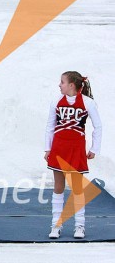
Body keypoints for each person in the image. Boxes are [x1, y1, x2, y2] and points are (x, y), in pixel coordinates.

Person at [45, 71, 102, 240]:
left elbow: (98, 127)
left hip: (76, 150)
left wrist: (94, 148)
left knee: (77, 188)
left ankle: (80, 225)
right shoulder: (55, 101)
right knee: (58, 186)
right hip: (59, 148)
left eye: (62, 82)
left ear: (71, 85)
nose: (59, 85)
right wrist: (47, 148)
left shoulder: (88, 103)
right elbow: (50, 126)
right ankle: (56, 224)